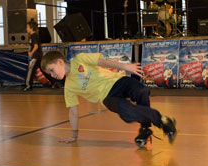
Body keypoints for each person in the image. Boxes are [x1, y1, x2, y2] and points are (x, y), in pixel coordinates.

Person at [41, 51, 177, 148]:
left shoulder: (80, 59)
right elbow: (73, 112)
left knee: (141, 91)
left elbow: (101, 61)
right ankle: (162, 121)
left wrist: (126, 67)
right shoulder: (69, 87)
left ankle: (145, 129)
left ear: (60, 62)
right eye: (50, 74)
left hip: (118, 81)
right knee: (127, 113)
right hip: (108, 97)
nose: (52, 75)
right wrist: (73, 135)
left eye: (52, 70)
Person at [23, 20, 43, 91]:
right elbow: (32, 45)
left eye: (27, 27)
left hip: (36, 56)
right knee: (43, 69)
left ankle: (28, 85)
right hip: (38, 56)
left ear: (31, 28)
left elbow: (36, 46)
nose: (26, 29)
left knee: (30, 69)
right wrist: (29, 51)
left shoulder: (33, 36)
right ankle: (54, 82)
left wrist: (31, 53)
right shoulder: (33, 36)